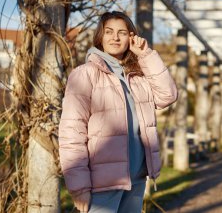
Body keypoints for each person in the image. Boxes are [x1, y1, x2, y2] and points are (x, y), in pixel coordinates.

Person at [59, 11, 178, 213]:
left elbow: (168, 95)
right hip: (102, 181)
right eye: (109, 32)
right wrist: (79, 186)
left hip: (136, 178)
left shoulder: (138, 76)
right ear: (100, 37)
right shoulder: (85, 74)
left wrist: (145, 55)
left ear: (131, 37)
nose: (115, 37)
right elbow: (71, 132)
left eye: (122, 32)